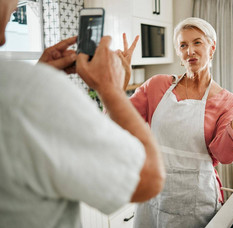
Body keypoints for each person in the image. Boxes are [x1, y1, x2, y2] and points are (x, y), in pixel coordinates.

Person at [0, 1, 165, 228]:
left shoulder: (20, 89)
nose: (16, 5)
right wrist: (111, 89)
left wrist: (40, 75)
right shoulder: (29, 90)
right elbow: (148, 177)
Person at [119, 17, 233, 228]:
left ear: (211, 48)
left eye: (197, 42)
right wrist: (117, 83)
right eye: (183, 45)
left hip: (195, 202)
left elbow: (225, 154)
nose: (190, 51)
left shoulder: (227, 102)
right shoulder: (156, 86)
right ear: (178, 52)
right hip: (152, 194)